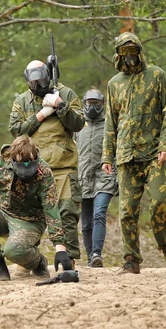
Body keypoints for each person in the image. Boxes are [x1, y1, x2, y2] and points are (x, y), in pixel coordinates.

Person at [102, 32, 166, 274]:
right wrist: (107, 155)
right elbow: (110, 122)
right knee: (127, 210)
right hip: (126, 156)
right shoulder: (114, 83)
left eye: (132, 51)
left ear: (139, 51)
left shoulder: (156, 75)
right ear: (118, 55)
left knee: (159, 202)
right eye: (124, 52)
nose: (129, 57)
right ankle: (131, 259)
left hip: (153, 153)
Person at [0, 136, 73, 281]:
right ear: (12, 159)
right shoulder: (0, 162)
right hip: (2, 212)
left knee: (13, 250)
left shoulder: (45, 172)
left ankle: (38, 262)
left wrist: (60, 248)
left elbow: (51, 209)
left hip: (30, 220)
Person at [9, 59, 85, 271]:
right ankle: (28, 258)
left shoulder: (66, 94)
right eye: (33, 82)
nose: (38, 85)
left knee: (67, 212)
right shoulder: (22, 101)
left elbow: (78, 123)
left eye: (41, 79)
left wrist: (61, 107)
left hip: (63, 165)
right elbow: (17, 130)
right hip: (33, 167)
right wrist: (41, 115)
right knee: (30, 214)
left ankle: (68, 258)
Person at [75, 89, 118, 267]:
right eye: (89, 103)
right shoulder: (77, 127)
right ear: (84, 103)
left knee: (99, 213)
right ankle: (89, 257)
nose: (92, 107)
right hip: (83, 177)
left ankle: (96, 254)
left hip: (105, 175)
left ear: (103, 104)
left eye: (96, 103)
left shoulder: (110, 125)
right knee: (85, 222)